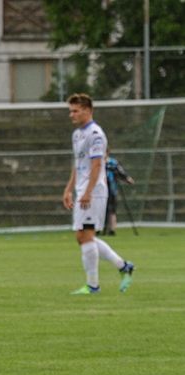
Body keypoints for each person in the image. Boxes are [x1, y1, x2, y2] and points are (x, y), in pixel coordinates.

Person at [63, 94, 135, 294]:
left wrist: (87, 192)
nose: (71, 115)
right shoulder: (77, 134)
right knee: (83, 236)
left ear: (87, 110)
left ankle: (93, 285)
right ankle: (123, 266)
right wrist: (69, 189)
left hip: (94, 192)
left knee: (84, 235)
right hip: (83, 190)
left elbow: (96, 165)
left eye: (75, 111)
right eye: (70, 111)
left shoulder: (96, 134)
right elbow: (79, 165)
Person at [102, 147, 135, 236]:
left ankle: (112, 229)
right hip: (100, 190)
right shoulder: (97, 162)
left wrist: (127, 178)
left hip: (111, 189)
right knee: (100, 209)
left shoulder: (113, 162)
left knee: (112, 209)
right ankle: (98, 228)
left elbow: (120, 172)